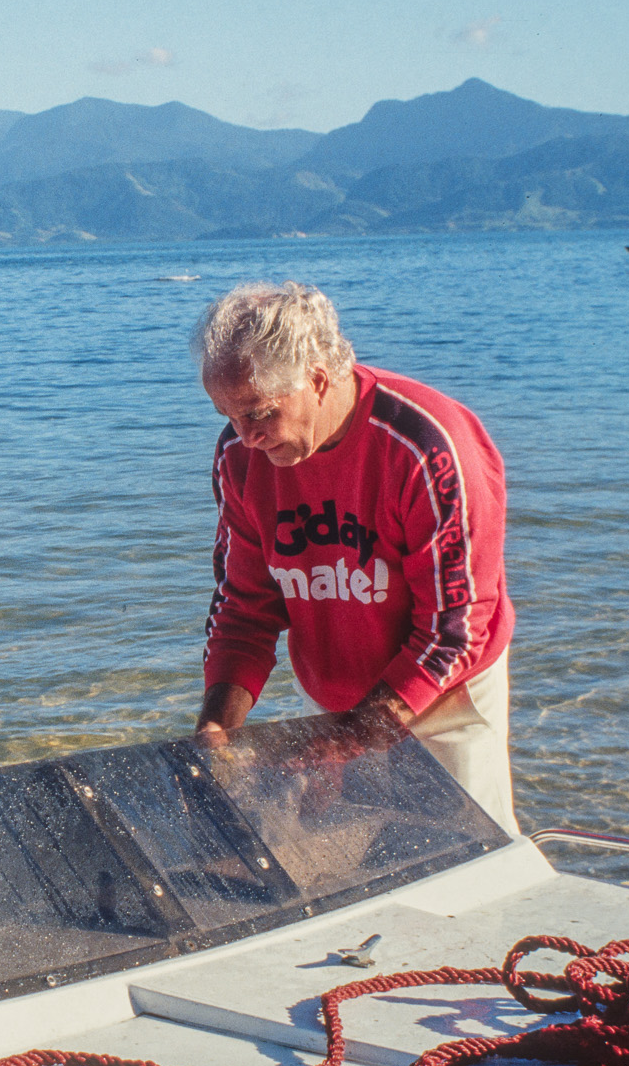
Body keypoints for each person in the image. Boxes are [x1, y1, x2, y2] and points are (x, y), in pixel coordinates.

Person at [190, 282, 518, 832]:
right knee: (359, 864)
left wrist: (348, 743)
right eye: (226, 415)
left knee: (467, 856)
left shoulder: (426, 447)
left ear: (318, 379)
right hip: (334, 689)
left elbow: (455, 629)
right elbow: (244, 609)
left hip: (443, 694)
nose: (245, 437)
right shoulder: (240, 457)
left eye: (259, 413)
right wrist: (215, 728)